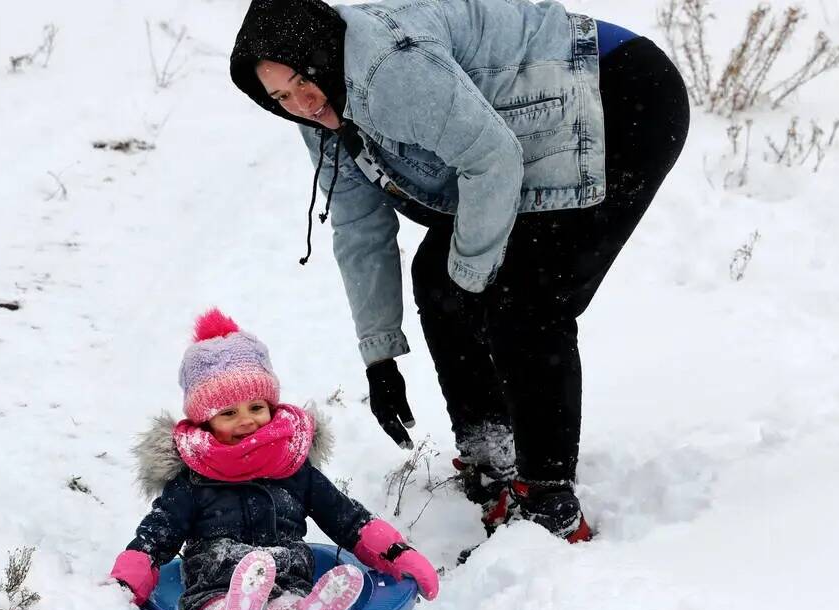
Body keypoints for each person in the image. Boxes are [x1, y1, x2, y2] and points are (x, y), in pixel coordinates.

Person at [229, 0, 690, 544]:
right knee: (440, 276)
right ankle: (492, 453)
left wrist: (472, 285)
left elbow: (492, 158)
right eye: (280, 97)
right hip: (536, 126)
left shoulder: (388, 69)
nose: (301, 104)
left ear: (323, 56)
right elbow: (358, 228)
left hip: (619, 91)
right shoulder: (322, 111)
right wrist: (379, 355)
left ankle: (550, 501)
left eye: (302, 81)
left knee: (528, 299)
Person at [109, 308, 439, 610]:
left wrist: (397, 553)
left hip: (287, 577)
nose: (247, 421)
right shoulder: (193, 478)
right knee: (218, 602)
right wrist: (124, 588)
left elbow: (347, 518)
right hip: (214, 588)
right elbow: (156, 538)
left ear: (271, 406)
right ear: (204, 421)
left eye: (256, 407)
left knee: (287, 601)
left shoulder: (293, 467)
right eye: (228, 413)